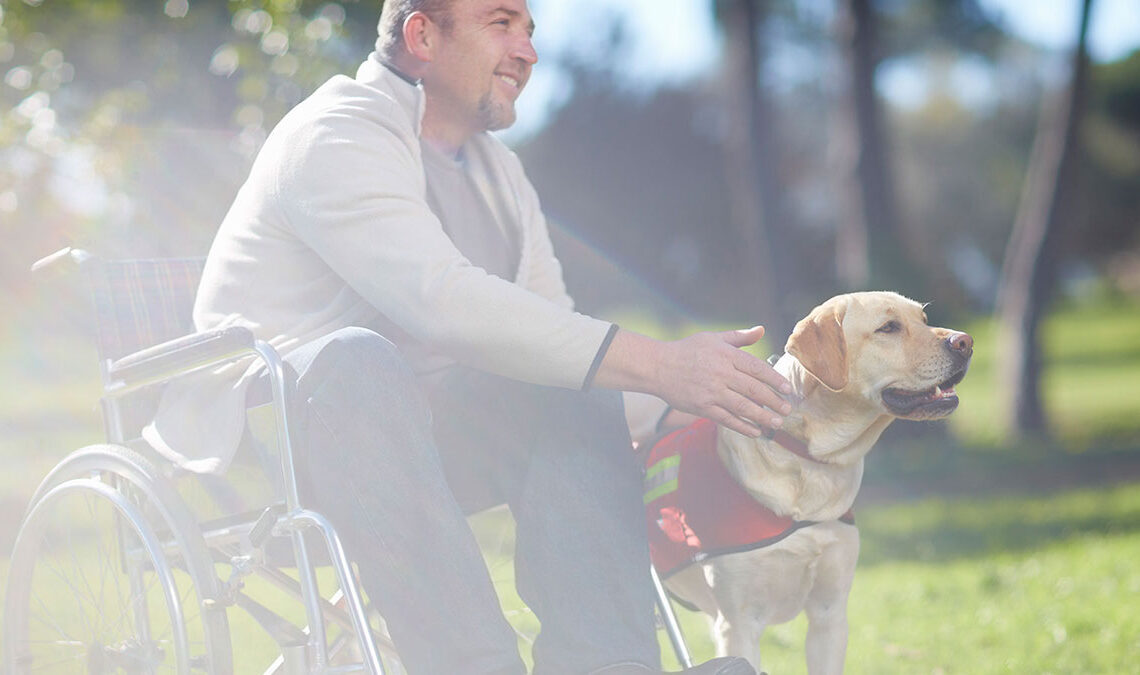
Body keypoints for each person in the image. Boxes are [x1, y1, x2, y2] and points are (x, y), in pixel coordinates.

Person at [147, 0, 793, 672]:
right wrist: (660, 364)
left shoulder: (500, 174)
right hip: (285, 443)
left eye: (531, 31)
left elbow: (557, 336)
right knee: (358, 361)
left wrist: (702, 398)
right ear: (423, 34)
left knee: (568, 377)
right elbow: (441, 300)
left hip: (430, 434)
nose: (529, 51)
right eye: (502, 24)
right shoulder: (334, 134)